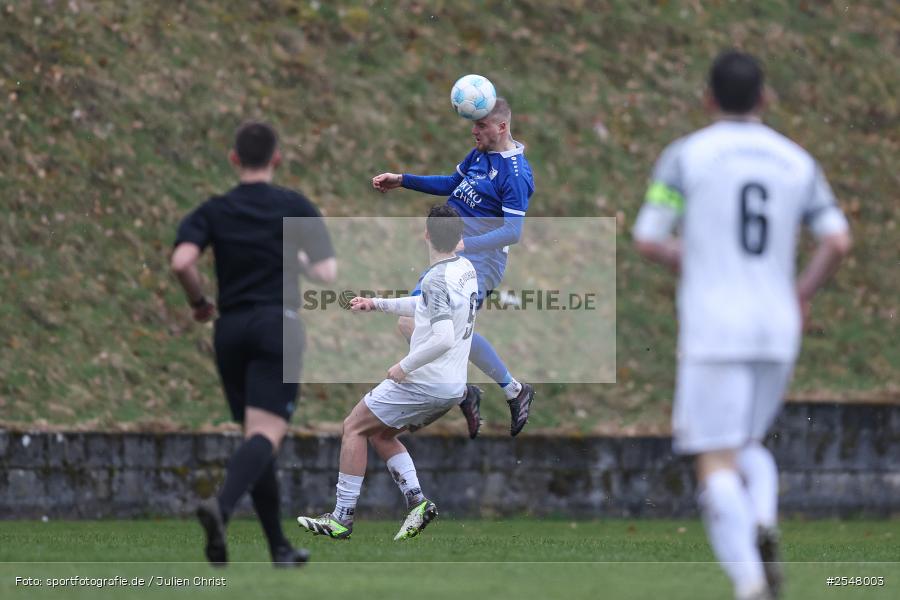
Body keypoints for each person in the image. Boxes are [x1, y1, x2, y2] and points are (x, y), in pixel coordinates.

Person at [633, 51, 851, 600]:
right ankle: (764, 519)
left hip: (714, 325)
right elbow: (836, 240)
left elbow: (649, 237)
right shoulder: (796, 161)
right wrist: (800, 292)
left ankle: (750, 582)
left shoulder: (687, 156)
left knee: (715, 458)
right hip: (777, 325)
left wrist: (696, 257)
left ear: (708, 99)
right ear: (765, 99)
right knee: (749, 441)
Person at [171, 121, 337, 567]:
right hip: (277, 326)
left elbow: (182, 261)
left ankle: (279, 548)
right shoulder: (293, 205)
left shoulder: (215, 209)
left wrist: (201, 302)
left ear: (234, 159)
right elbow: (326, 273)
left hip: (230, 329)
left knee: (257, 437)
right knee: (266, 434)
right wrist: (297, 259)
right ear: (277, 159)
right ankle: (221, 508)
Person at [296, 205, 478, 541]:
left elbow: (442, 337)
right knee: (381, 433)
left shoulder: (437, 278)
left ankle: (341, 518)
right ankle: (417, 502)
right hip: (452, 385)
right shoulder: (464, 269)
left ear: (425, 235)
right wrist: (377, 303)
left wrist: (403, 366)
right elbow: (425, 305)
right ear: (461, 240)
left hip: (425, 381)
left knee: (353, 427)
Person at [371, 96, 535, 439]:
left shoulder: (516, 174)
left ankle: (493, 390)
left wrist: (466, 245)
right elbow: (450, 184)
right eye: (473, 124)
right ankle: (499, 390)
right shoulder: (479, 154)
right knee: (412, 323)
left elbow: (513, 232)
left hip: (479, 262)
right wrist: (403, 179)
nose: (473, 131)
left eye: (481, 125)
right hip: (451, 255)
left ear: (502, 127)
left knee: (426, 324)